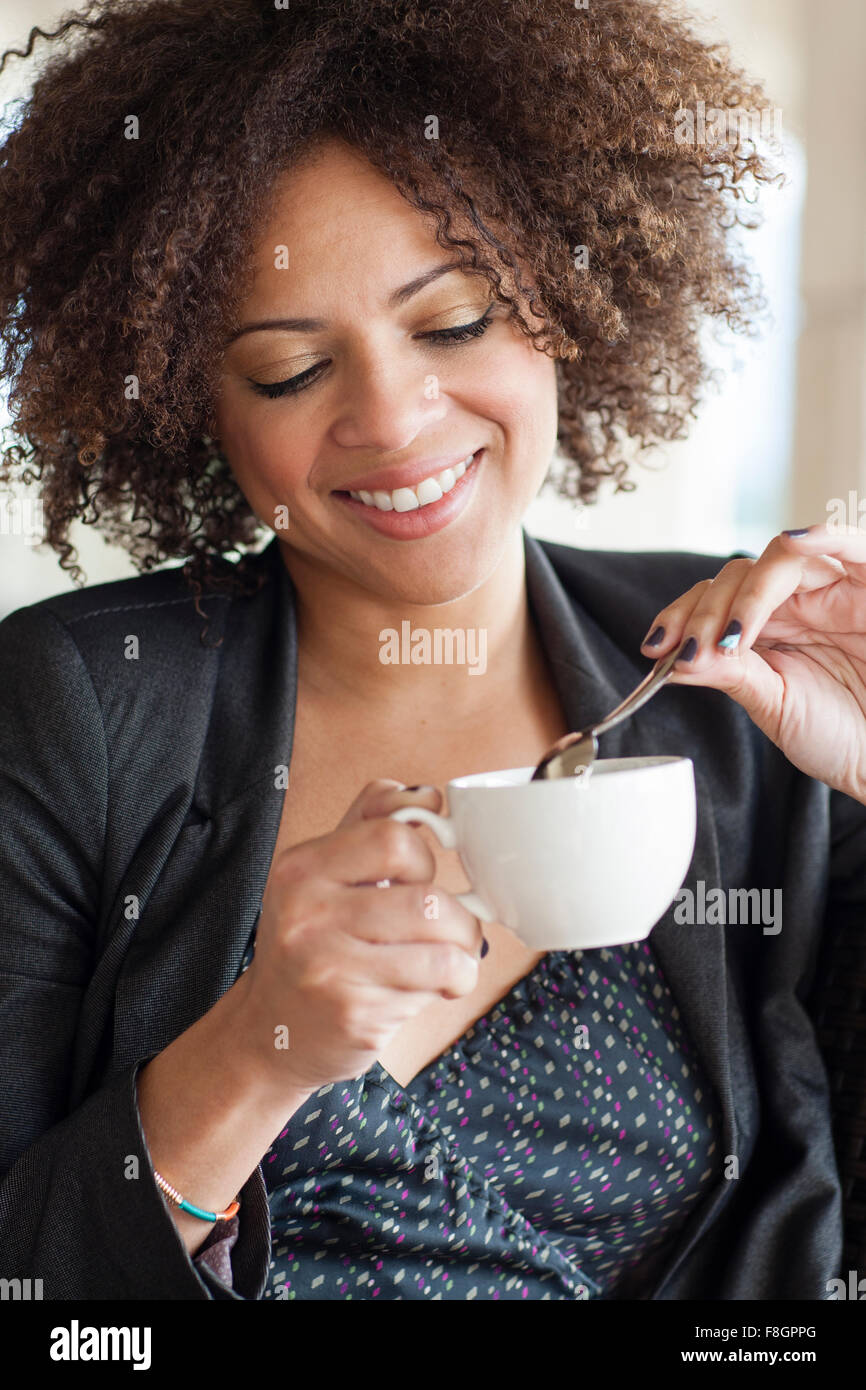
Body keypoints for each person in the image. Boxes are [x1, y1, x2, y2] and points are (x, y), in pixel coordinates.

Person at [0, 0, 862, 1301]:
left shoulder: (743, 689)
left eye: (454, 322)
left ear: (568, 299)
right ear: (189, 404)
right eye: (289, 369)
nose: (394, 422)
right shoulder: (79, 708)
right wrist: (252, 1054)